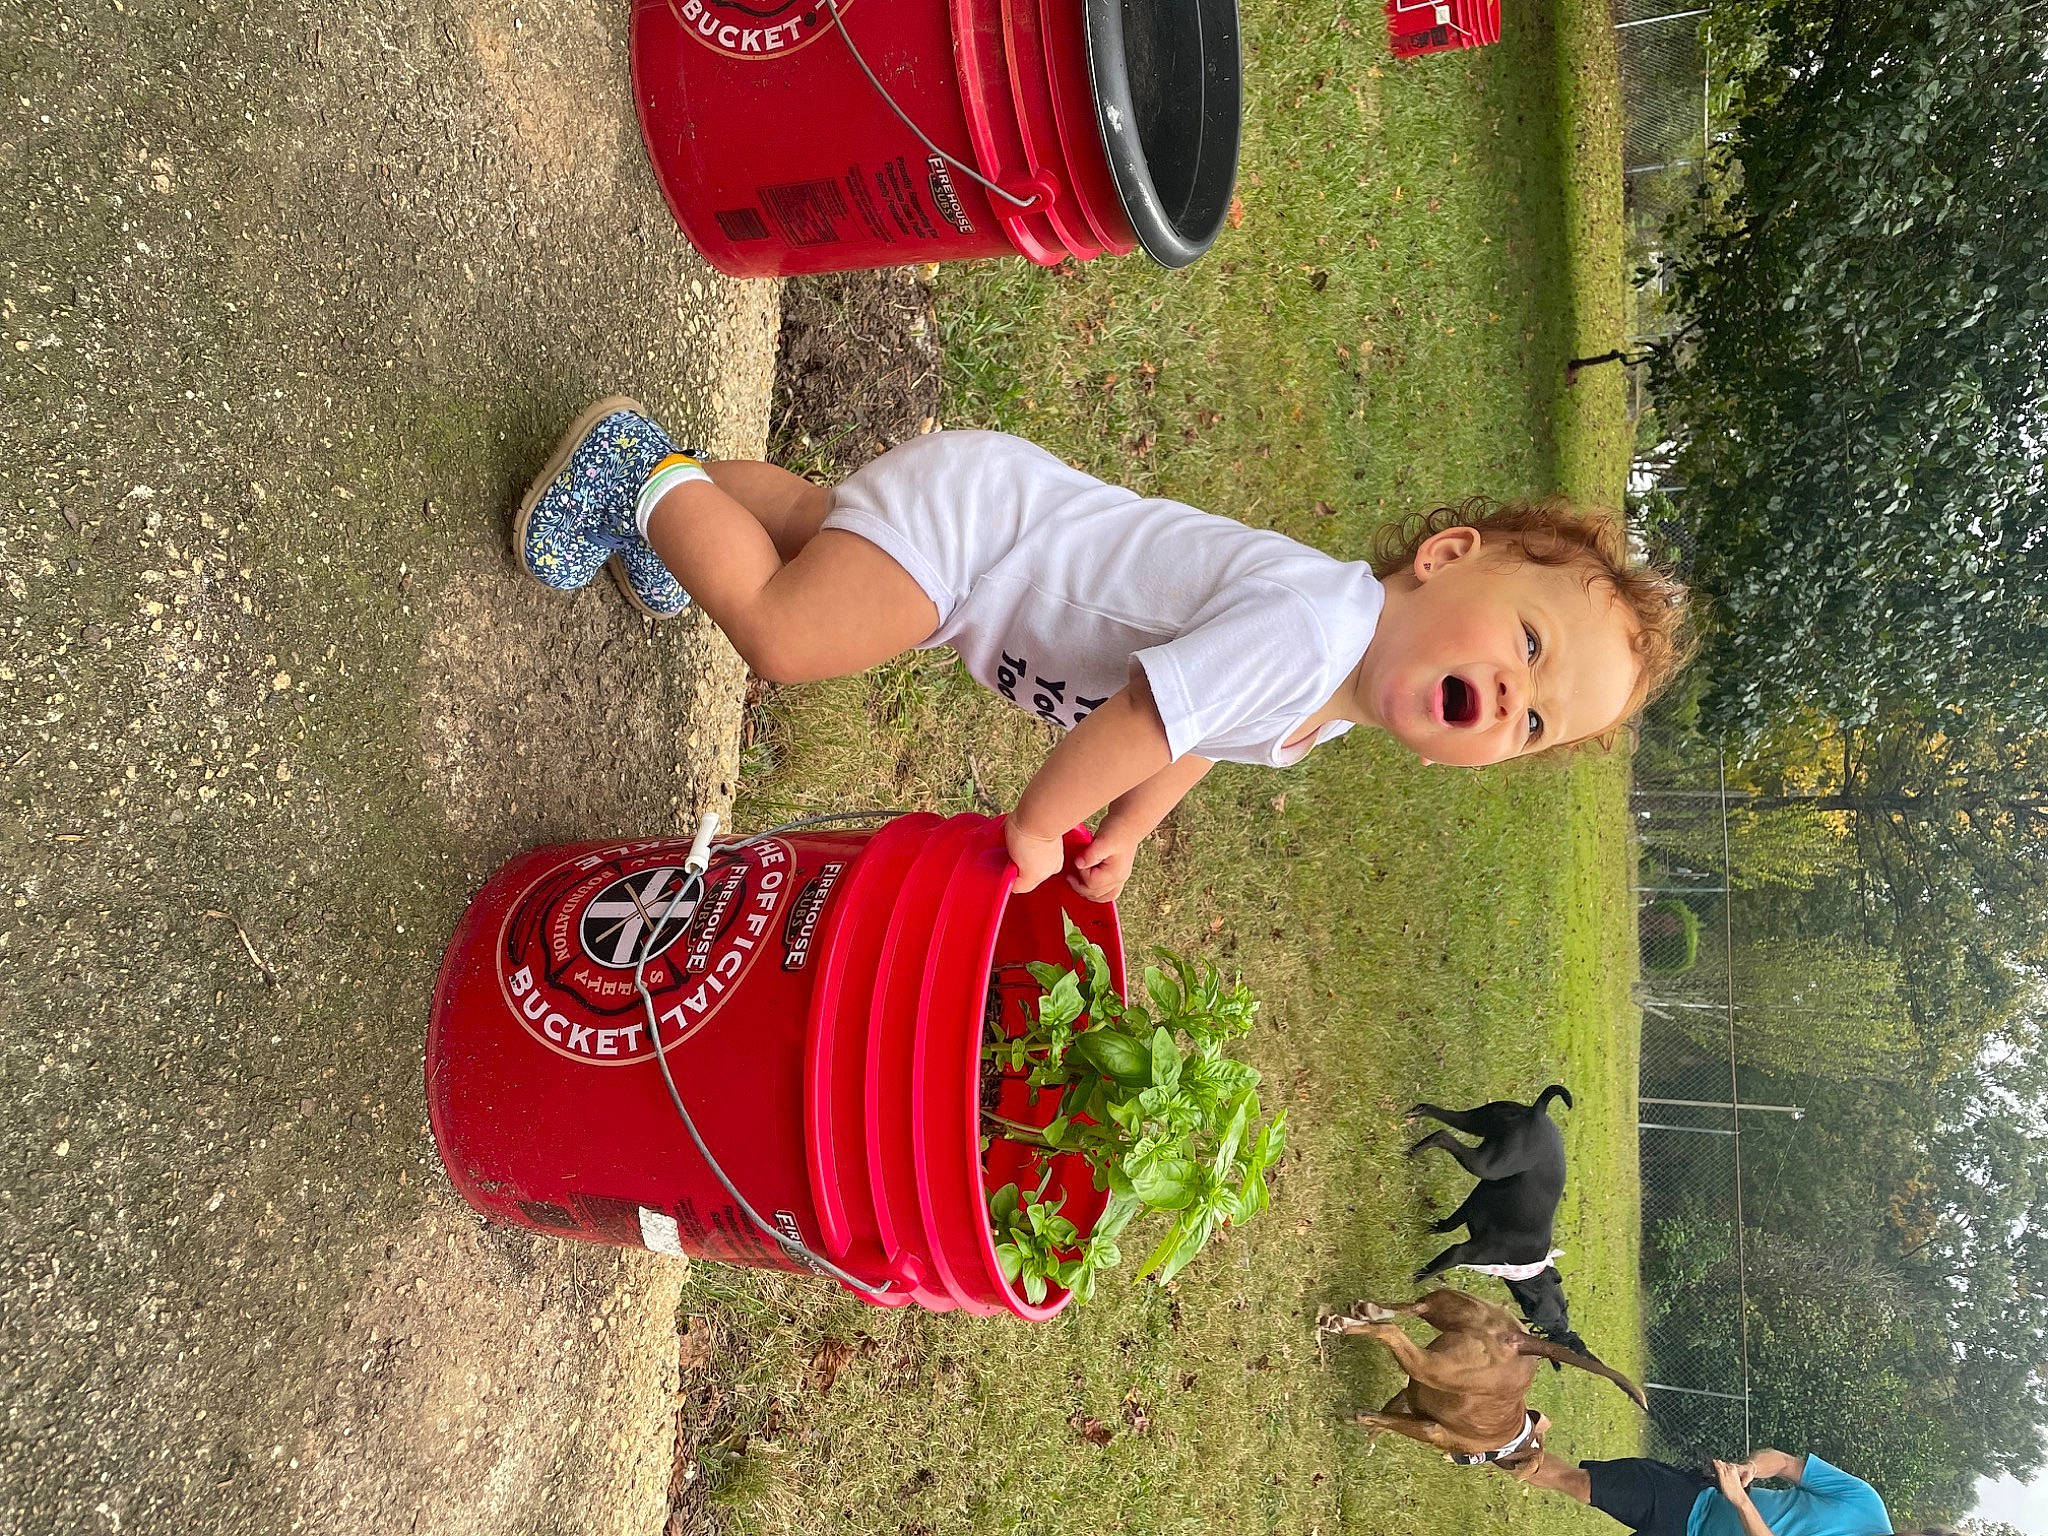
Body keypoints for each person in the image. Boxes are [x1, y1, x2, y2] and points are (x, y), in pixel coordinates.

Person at [513, 399, 1691, 902]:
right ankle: (636, 472)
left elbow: (1197, 739)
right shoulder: (1309, 632)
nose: (1510, 699)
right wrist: (1040, 824)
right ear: (1444, 556)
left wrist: (1124, 830)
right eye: (1528, 643)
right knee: (783, 632)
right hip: (978, 545)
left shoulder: (1326, 692)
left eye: (1534, 724)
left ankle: (680, 515)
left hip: (991, 512)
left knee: (816, 527)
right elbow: (1140, 720)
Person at [1512, 1445, 1952, 1536]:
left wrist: (1741, 1502)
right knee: (1585, 1485)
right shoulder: (1864, 1501)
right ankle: (1499, 1444)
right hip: (1695, 1501)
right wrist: (1749, 1469)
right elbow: (1784, 1462)